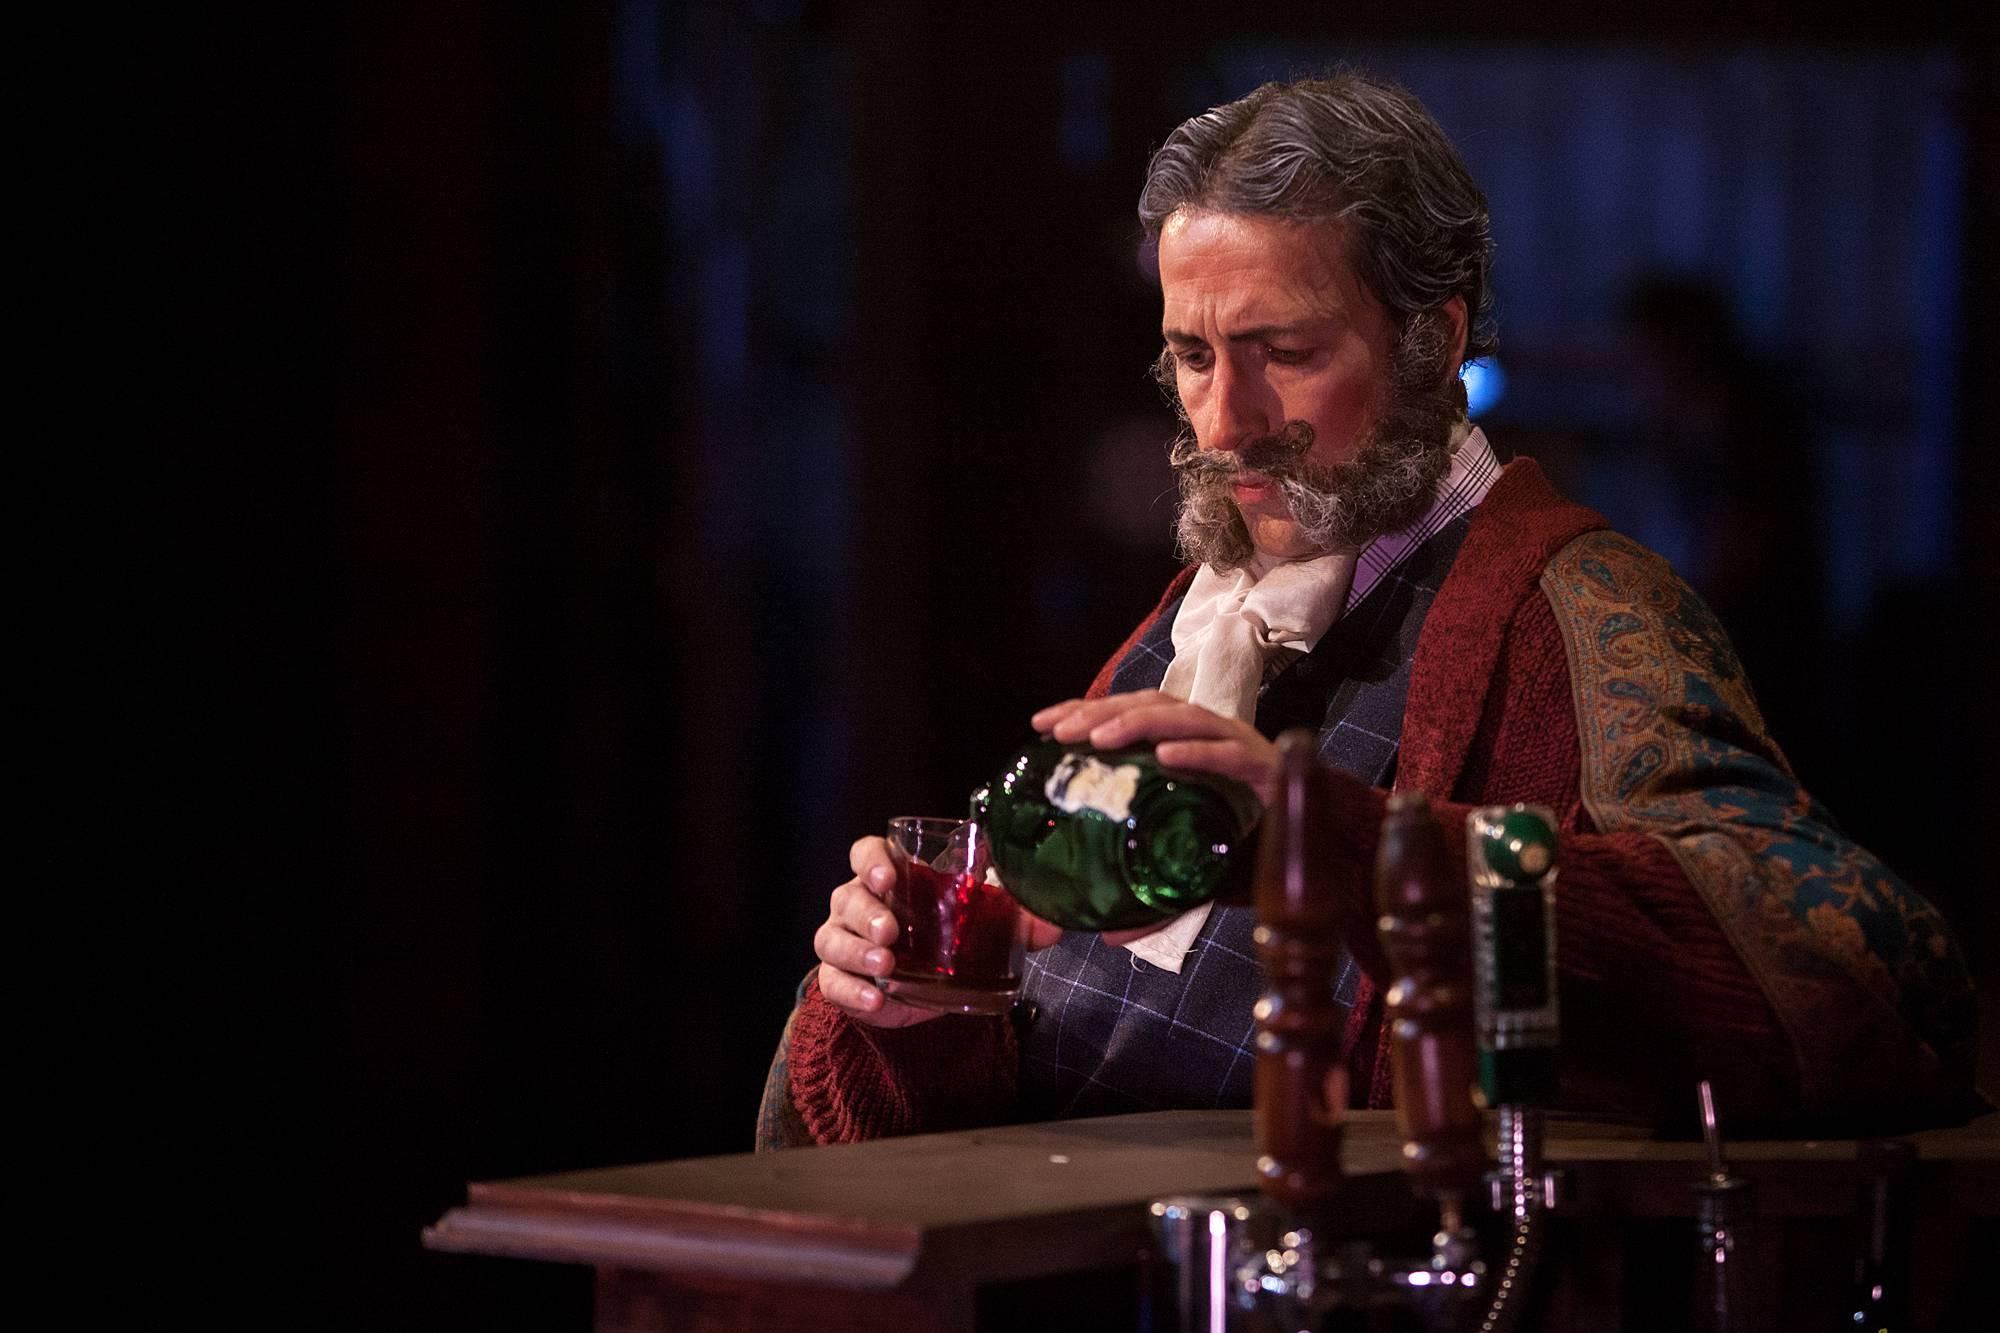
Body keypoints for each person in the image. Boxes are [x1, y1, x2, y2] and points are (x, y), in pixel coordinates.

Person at [757, 73, 1978, 1151]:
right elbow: (1023, 1078)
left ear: (1429, 340)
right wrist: (914, 1005)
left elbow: (1878, 991)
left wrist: (1336, 846)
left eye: (1280, 350)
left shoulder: (1578, 610)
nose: (1222, 421)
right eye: (1191, 355)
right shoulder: (1203, 621)